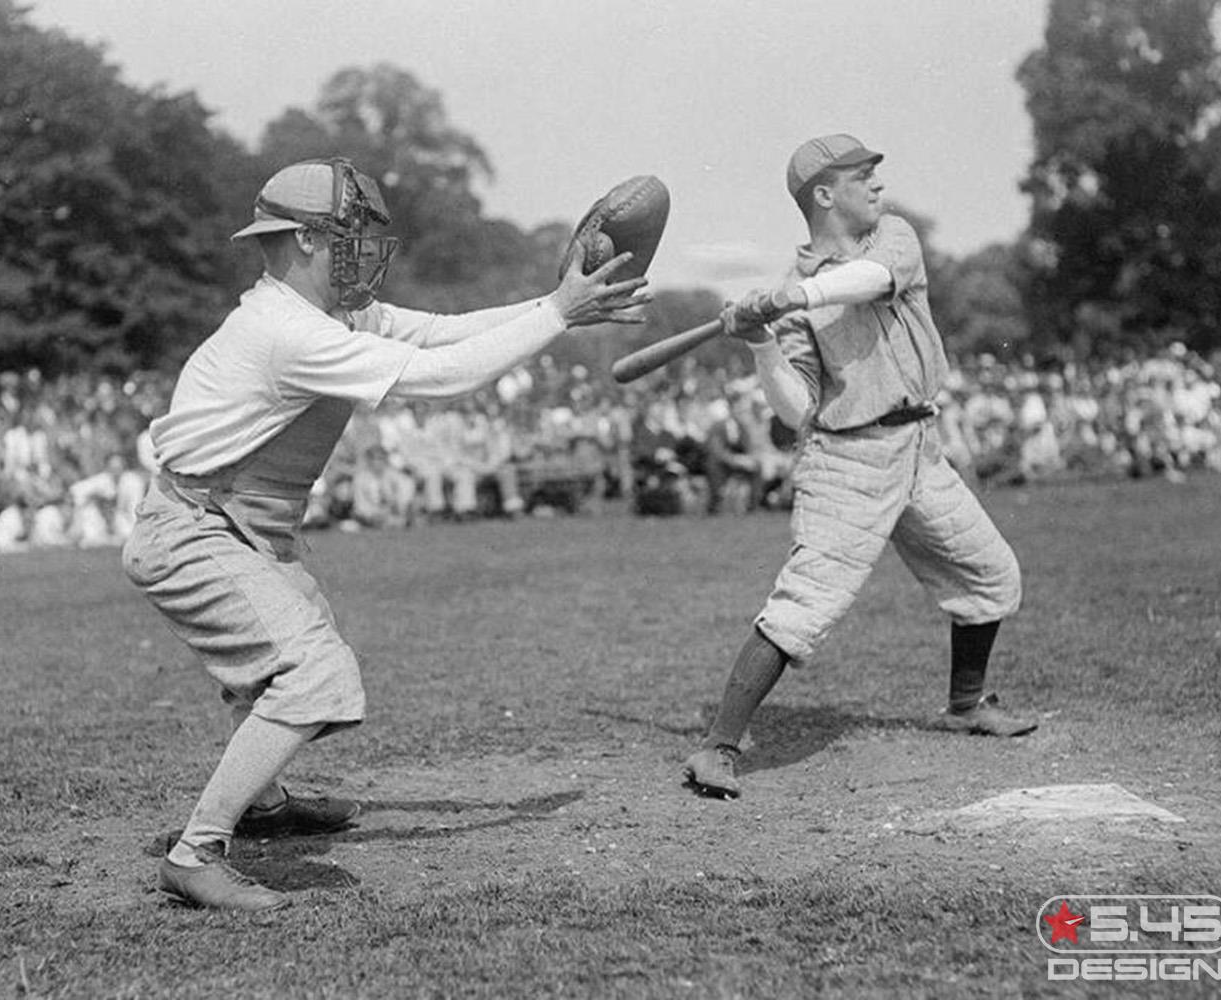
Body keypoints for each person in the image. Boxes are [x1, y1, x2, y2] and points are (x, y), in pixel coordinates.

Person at [122, 156, 649, 910]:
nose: (363, 251)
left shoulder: (327, 313)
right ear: (303, 240)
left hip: (237, 525)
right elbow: (439, 377)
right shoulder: (287, 331)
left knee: (285, 665)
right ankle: (194, 852)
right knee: (314, 676)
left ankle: (265, 809)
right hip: (196, 529)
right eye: (347, 235)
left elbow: (439, 333)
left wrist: (558, 304)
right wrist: (559, 314)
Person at [682, 135, 1032, 800]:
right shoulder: (792, 299)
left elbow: (866, 284)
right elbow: (796, 410)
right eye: (861, 176)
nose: (877, 184)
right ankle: (717, 749)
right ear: (823, 194)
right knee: (804, 607)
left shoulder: (890, 238)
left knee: (990, 573)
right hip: (849, 460)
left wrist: (790, 300)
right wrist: (761, 344)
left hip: (920, 451)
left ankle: (966, 705)